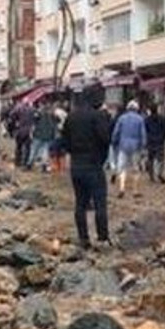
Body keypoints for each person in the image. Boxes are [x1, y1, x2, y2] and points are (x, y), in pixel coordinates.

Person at [62, 94, 114, 249]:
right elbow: (106, 139)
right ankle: (102, 237)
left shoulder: (71, 117)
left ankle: (83, 238)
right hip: (93, 165)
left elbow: (65, 141)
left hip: (77, 165)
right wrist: (101, 157)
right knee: (100, 203)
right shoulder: (97, 116)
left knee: (80, 203)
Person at [111, 100, 147, 197]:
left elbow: (116, 132)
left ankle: (122, 188)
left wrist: (114, 142)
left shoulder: (122, 118)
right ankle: (135, 190)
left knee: (122, 168)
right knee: (135, 168)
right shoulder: (140, 119)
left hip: (123, 145)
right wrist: (143, 146)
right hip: (136, 146)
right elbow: (143, 134)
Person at [144, 105, 165, 183]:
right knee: (160, 159)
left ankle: (151, 175)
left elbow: (145, 130)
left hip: (150, 141)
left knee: (150, 159)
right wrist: (163, 138)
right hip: (159, 141)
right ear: (157, 110)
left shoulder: (147, 120)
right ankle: (159, 172)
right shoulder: (162, 119)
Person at [31, 105, 58, 172]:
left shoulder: (39, 115)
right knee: (45, 151)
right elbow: (55, 124)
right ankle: (43, 165)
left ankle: (30, 164)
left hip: (39, 135)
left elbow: (34, 121)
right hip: (48, 136)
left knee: (34, 150)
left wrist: (33, 133)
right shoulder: (52, 116)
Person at [13, 102, 35, 169]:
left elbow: (12, 116)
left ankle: (17, 162)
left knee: (18, 147)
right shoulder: (32, 111)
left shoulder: (18, 110)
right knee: (27, 148)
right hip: (28, 131)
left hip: (20, 130)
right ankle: (25, 163)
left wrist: (15, 123)